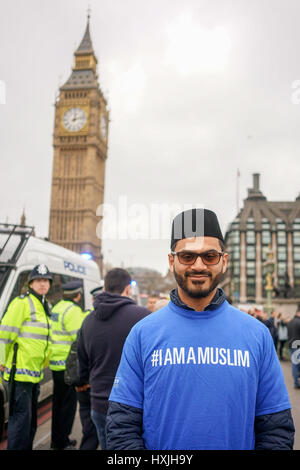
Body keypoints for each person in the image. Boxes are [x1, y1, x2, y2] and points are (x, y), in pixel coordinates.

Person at [106, 208, 295, 450]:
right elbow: (121, 428)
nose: (198, 265)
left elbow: (276, 429)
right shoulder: (142, 334)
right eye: (187, 256)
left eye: (209, 256)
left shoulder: (257, 335)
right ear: (171, 260)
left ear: (224, 261)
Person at [77, 268, 150, 450]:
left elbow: (82, 364)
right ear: (127, 289)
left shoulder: (88, 320)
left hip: (99, 405)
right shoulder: (143, 317)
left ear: (105, 287)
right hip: (134, 407)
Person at [0, 264, 52, 450]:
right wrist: (1, 361)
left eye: (46, 280)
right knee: (20, 421)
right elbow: (4, 335)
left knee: (30, 423)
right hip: (20, 373)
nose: (42, 284)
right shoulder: (21, 303)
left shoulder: (45, 305)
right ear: (31, 283)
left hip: (34, 374)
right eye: (38, 280)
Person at [50, 280, 85, 450]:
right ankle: (63, 442)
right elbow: (78, 339)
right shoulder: (74, 311)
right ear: (78, 295)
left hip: (55, 364)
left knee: (57, 405)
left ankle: (56, 439)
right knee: (68, 407)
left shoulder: (56, 308)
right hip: (68, 367)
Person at [287, 307, 300, 389]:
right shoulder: (299, 322)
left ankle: (296, 380)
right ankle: (296, 382)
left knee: (294, 363)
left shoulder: (290, 322)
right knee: (296, 364)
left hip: (291, 344)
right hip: (297, 345)